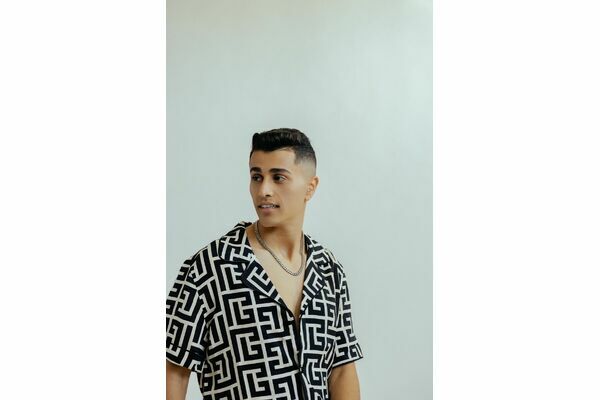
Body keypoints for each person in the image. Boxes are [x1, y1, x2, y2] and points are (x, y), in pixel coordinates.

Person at [166, 128, 364, 400]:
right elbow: (173, 369)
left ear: (310, 187)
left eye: (278, 177)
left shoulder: (328, 270)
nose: (264, 190)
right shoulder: (210, 267)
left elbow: (341, 369)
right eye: (256, 177)